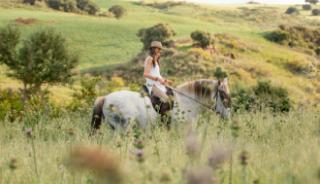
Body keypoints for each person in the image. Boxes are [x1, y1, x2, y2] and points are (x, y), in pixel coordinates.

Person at [143, 41, 174, 122]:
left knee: (173, 95)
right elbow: (145, 74)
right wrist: (157, 79)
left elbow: (157, 74)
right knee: (167, 99)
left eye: (160, 49)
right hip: (152, 85)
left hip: (159, 84)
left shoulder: (155, 61)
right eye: (158, 49)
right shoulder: (149, 59)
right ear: (153, 49)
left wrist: (165, 80)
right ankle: (161, 119)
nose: (159, 51)